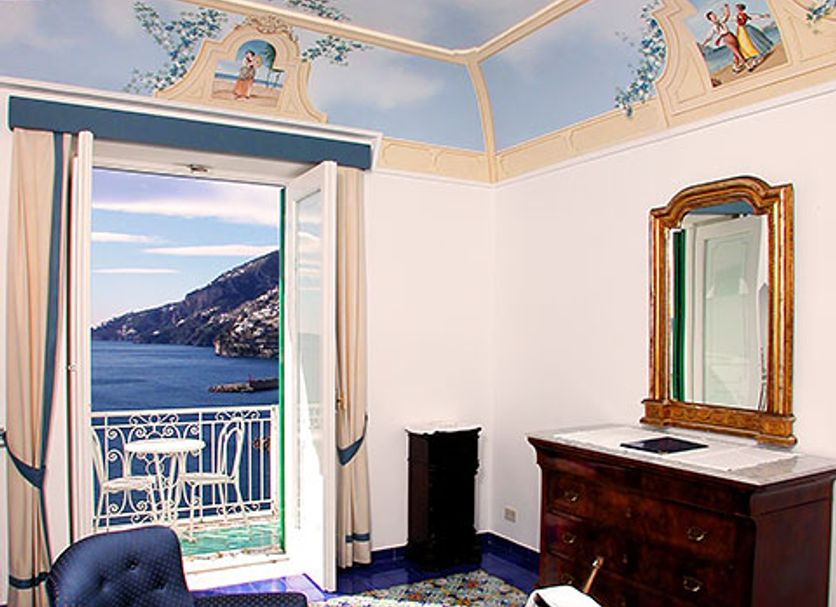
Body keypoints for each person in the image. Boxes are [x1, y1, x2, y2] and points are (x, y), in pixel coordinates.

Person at [701, 4, 747, 73]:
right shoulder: (713, 28)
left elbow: (727, 15)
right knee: (737, 52)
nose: (715, 17)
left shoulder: (722, 21)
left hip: (731, 36)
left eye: (714, 15)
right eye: (713, 16)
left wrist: (726, 8)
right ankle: (747, 65)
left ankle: (735, 66)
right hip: (726, 39)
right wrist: (703, 44)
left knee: (736, 52)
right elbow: (709, 37)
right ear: (710, 19)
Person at [734, 3, 774, 69]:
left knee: (754, 41)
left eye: (738, 8)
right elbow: (737, 23)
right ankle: (752, 57)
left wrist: (763, 16)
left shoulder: (745, 14)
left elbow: (754, 16)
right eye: (737, 9)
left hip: (747, 29)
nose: (737, 10)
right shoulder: (737, 16)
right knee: (745, 44)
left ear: (740, 9)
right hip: (741, 31)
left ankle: (758, 55)